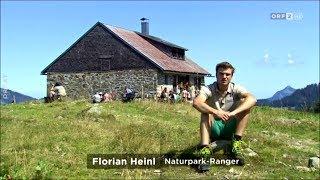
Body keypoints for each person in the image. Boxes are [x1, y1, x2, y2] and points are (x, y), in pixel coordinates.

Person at [193, 62, 256, 167]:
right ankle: (205, 151)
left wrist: (233, 113)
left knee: (245, 105)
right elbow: (197, 102)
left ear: (232, 76)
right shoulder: (208, 89)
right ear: (216, 74)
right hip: (214, 127)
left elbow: (252, 99)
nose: (224, 77)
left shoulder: (236, 88)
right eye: (221, 74)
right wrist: (216, 112)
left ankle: (236, 142)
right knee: (205, 112)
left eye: (227, 74)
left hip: (230, 125)